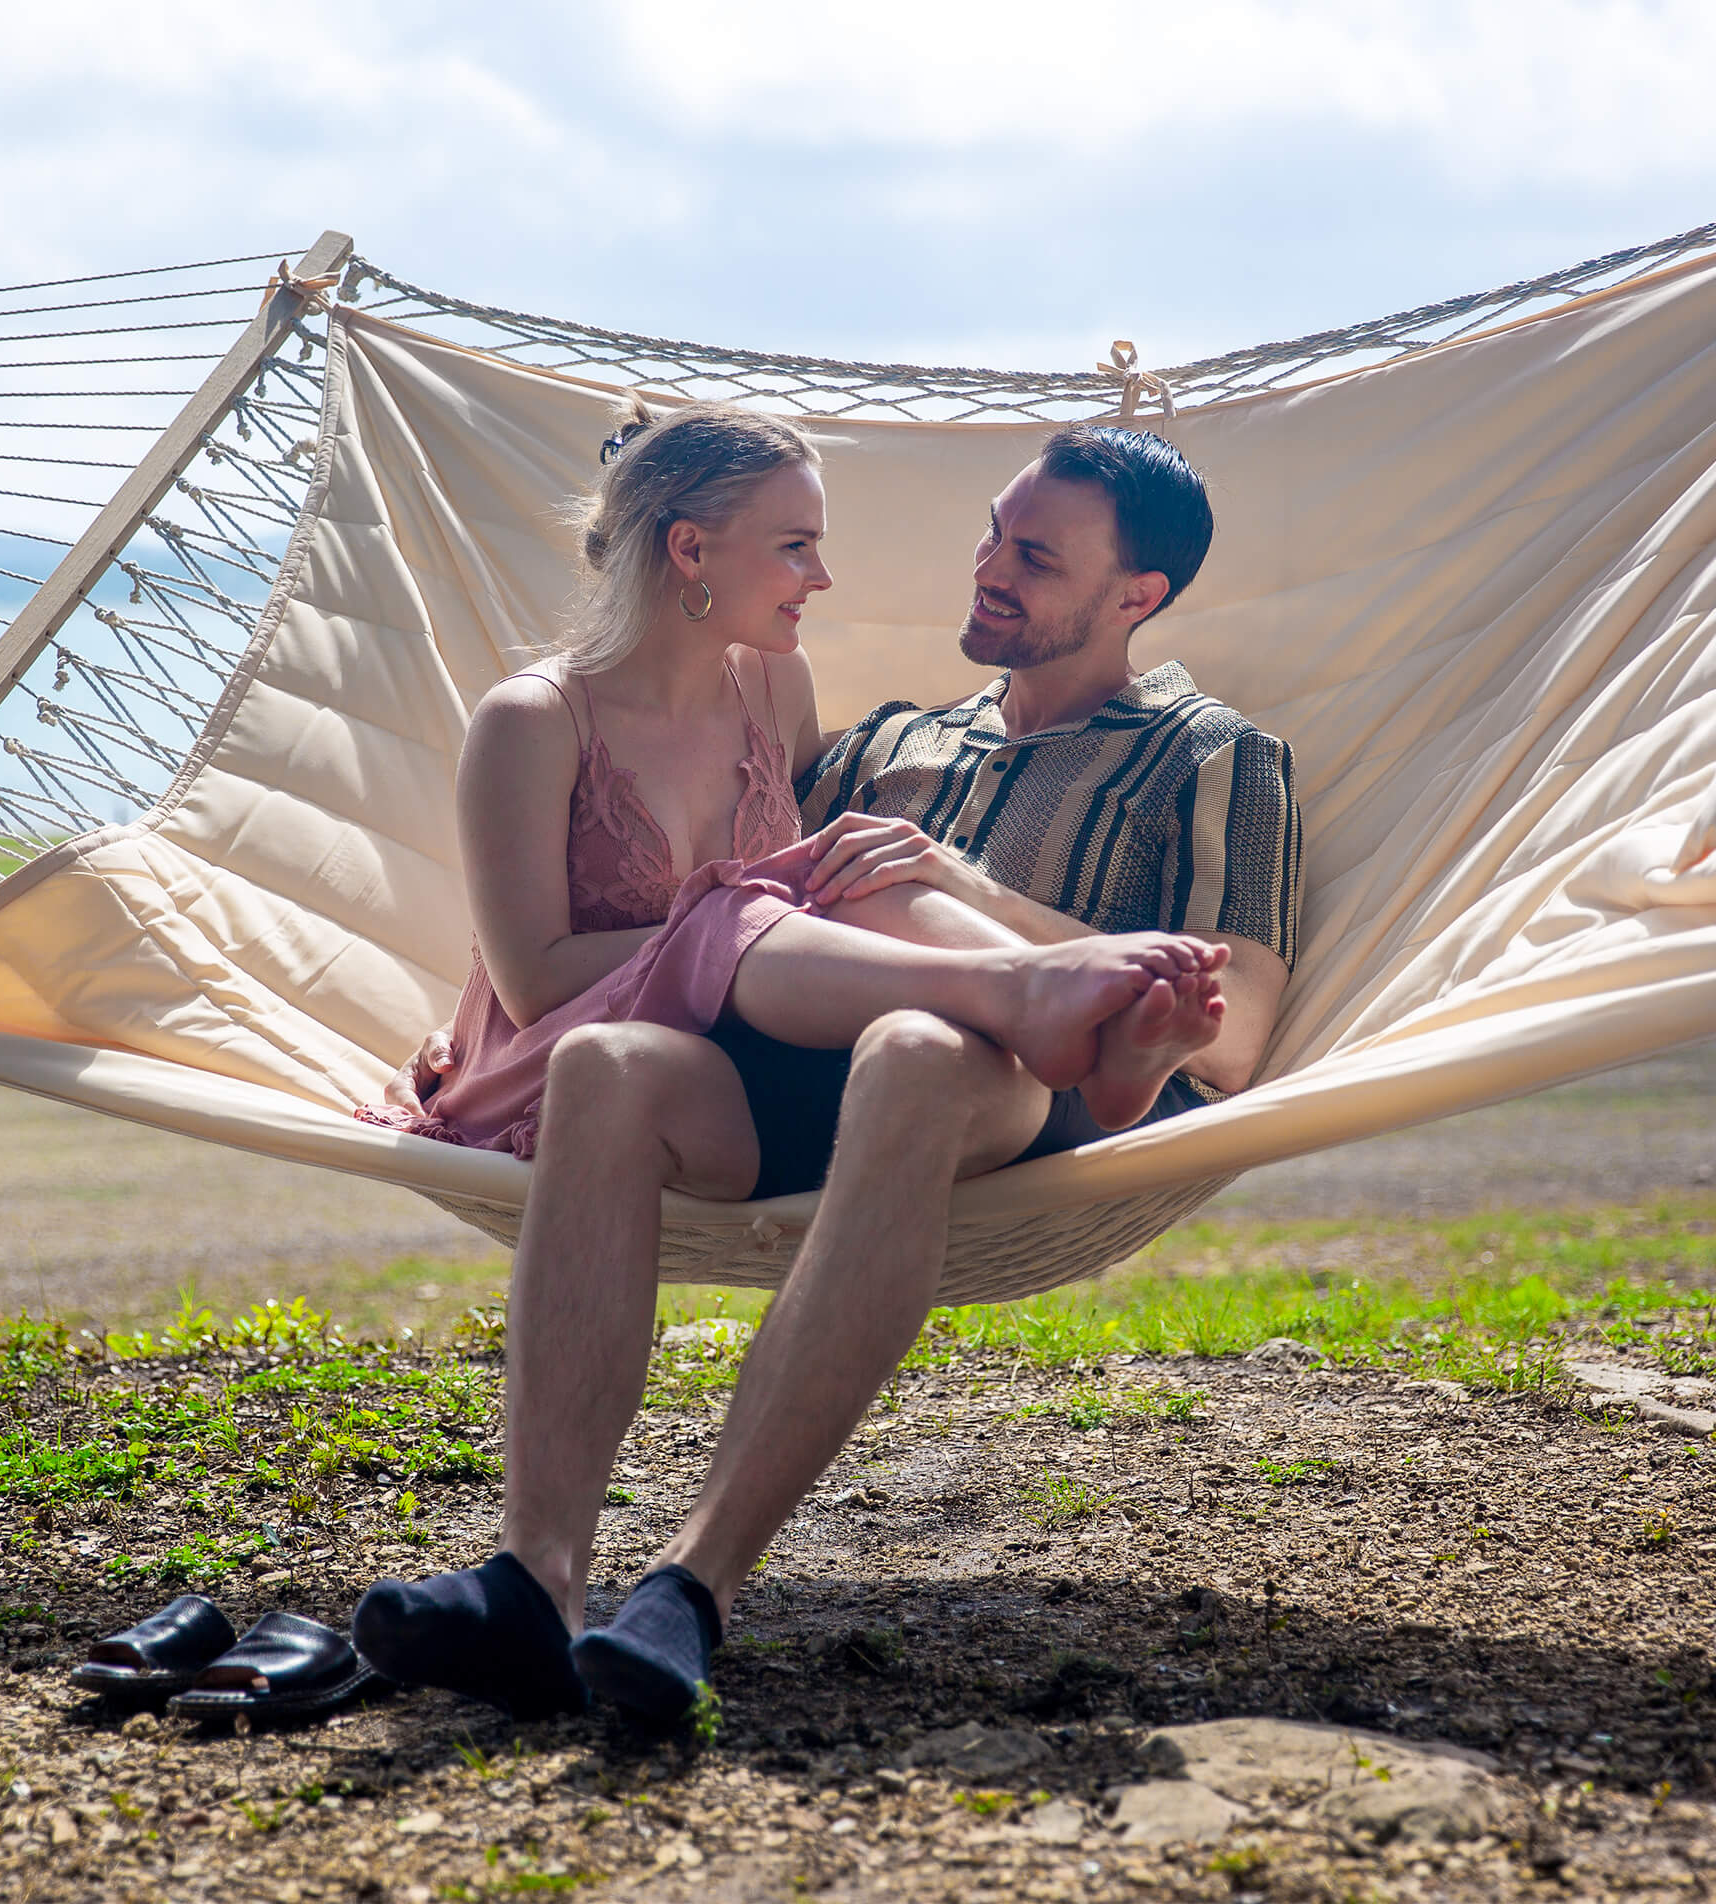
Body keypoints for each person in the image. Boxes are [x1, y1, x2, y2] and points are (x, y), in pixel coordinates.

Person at [354, 415, 1298, 1724]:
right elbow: (726, 898)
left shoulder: (1213, 755)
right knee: (611, 1070)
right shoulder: (888, 740)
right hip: (795, 1072)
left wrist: (977, 893)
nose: (987, 565)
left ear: (1137, 596)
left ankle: (693, 1586)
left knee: (914, 1043)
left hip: (1006, 1088)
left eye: (1033, 554)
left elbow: (1239, 1027)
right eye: (991, 532)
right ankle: (537, 1574)